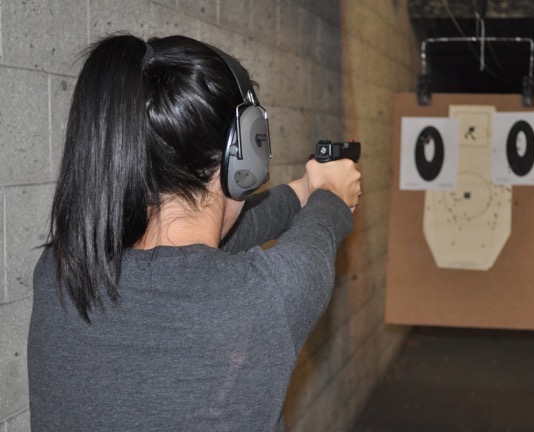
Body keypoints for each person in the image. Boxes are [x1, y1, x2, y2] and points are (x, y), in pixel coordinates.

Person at [27, 33, 361, 432]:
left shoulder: (60, 269)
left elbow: (220, 243)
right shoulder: (271, 297)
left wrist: (306, 190)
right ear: (245, 154)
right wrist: (330, 192)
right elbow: (321, 226)